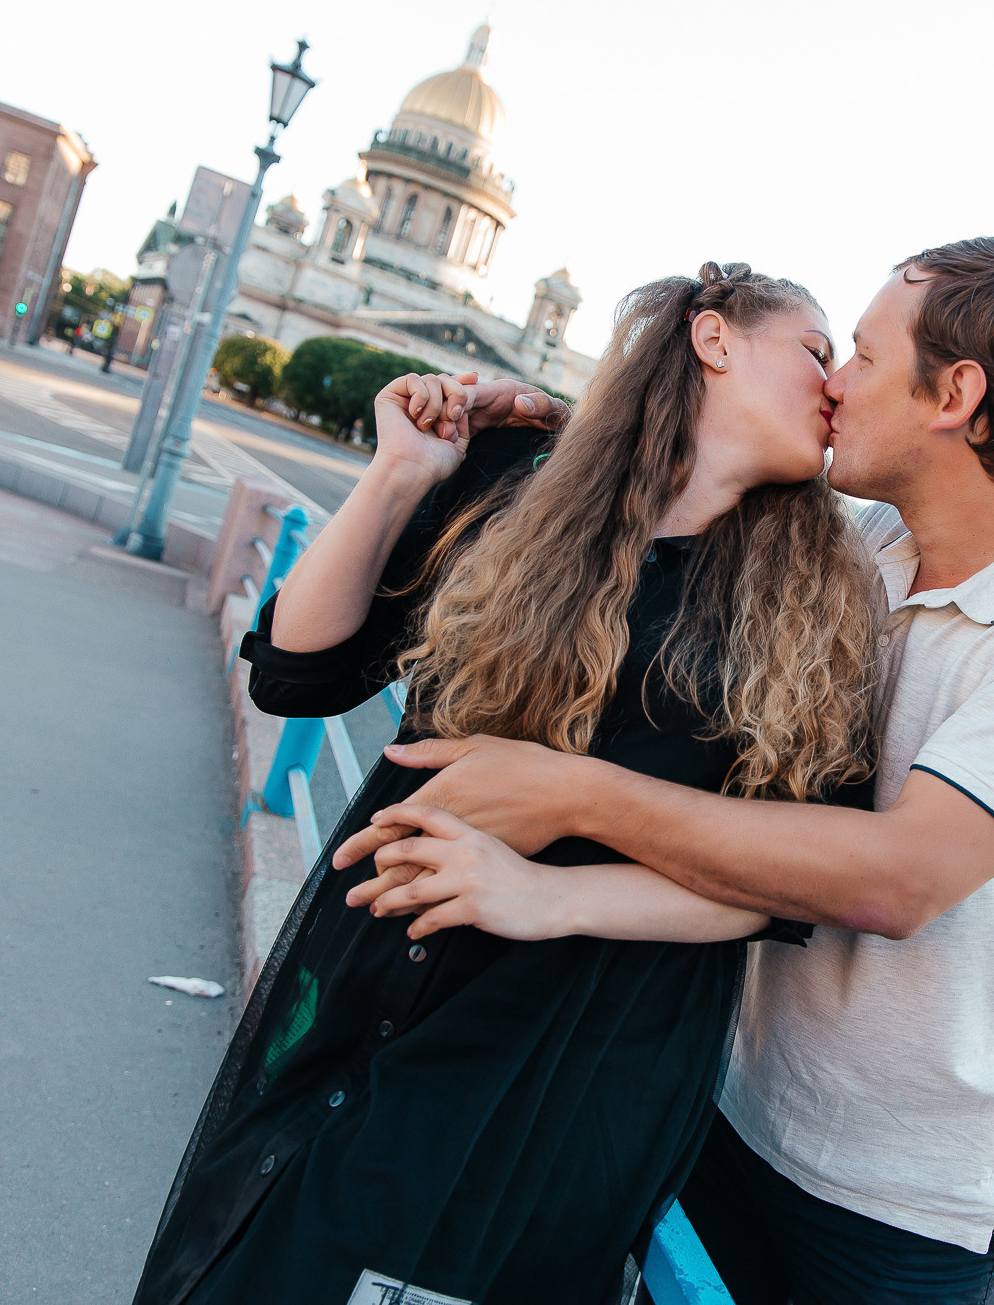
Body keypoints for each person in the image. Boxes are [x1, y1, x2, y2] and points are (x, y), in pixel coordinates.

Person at [335, 238, 994, 1304]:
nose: (833, 382)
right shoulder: (867, 545)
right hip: (726, 1113)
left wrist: (568, 793)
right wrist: (563, 419)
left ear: (953, 395)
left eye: (863, 357)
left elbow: (896, 878)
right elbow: (700, 461)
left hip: (897, 1202)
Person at [132, 262, 883, 1305]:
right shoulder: (517, 484)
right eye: (814, 348)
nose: (836, 382)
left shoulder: (820, 598)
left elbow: (781, 885)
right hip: (372, 979)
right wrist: (399, 472)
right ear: (711, 339)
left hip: (564, 1067)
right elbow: (296, 671)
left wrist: (540, 894)